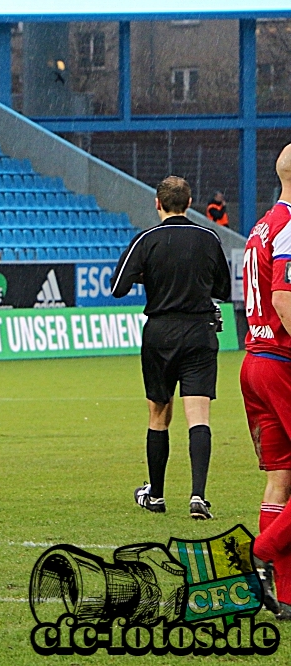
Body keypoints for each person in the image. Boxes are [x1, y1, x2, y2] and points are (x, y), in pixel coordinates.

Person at [111, 176, 230, 520]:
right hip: (199, 331)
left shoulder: (147, 240)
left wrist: (152, 276)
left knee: (158, 415)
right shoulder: (208, 237)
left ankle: (157, 496)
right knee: (199, 416)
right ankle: (198, 497)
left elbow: (118, 286)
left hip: (160, 334)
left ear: (157, 203)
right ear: (190, 202)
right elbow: (222, 287)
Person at [241, 145, 291, 620]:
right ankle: (258, 553)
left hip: (254, 358)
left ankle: (284, 595)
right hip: (280, 360)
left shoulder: (261, 225)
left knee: (281, 477)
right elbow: (283, 298)